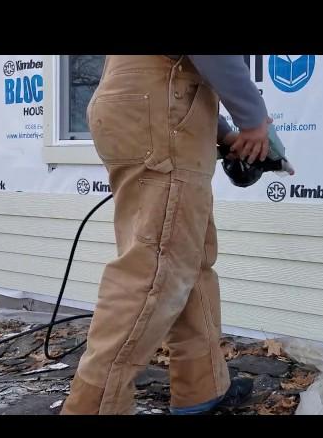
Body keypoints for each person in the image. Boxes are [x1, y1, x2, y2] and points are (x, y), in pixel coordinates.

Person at [61, 55, 270, 415]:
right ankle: (90, 407)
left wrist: (222, 132)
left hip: (143, 106)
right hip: (160, 116)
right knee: (154, 271)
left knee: (187, 258)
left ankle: (201, 389)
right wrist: (253, 120)